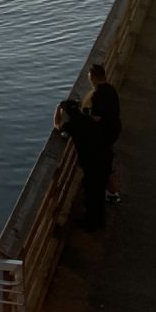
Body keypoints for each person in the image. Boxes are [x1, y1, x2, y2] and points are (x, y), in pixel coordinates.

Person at [54, 99, 109, 231]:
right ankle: (100, 221)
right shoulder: (87, 118)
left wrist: (57, 109)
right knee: (99, 191)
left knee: (91, 193)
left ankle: (90, 224)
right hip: (103, 156)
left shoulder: (71, 125)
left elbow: (57, 125)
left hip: (91, 163)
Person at [86, 63, 123, 203]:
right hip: (115, 128)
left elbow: (96, 117)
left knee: (104, 164)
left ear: (94, 78)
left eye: (89, 76)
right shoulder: (111, 89)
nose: (89, 79)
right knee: (105, 160)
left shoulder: (97, 94)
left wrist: (83, 116)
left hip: (104, 133)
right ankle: (109, 190)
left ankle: (113, 193)